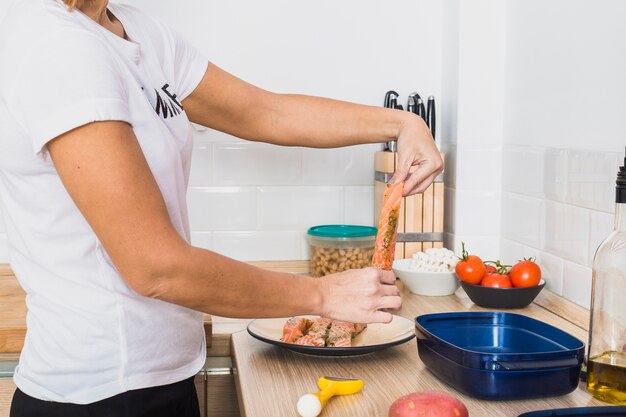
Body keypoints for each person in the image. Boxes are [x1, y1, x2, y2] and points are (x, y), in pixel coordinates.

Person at [0, 0, 443, 416]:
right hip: (98, 395)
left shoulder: (135, 31)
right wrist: (324, 295)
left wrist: (404, 123)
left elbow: (264, 112)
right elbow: (157, 268)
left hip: (163, 376)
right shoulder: (58, 47)